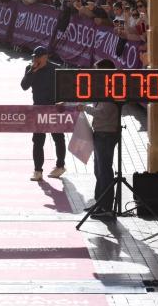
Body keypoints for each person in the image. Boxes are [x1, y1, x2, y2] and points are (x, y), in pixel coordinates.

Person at [77, 59, 120, 219]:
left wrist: (85, 108)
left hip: (106, 134)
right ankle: (99, 202)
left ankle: (106, 207)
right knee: (99, 170)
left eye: (97, 71)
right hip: (101, 133)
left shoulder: (111, 89)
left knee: (105, 171)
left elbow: (103, 112)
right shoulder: (103, 88)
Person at [20, 45, 66, 181]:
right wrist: (32, 71)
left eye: (38, 57)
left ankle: (60, 166)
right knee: (38, 140)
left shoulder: (56, 69)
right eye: (34, 57)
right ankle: (38, 170)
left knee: (58, 137)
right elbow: (24, 86)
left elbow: (66, 87)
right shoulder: (30, 68)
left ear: (45, 57)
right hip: (38, 109)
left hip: (54, 108)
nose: (36, 60)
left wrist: (63, 101)